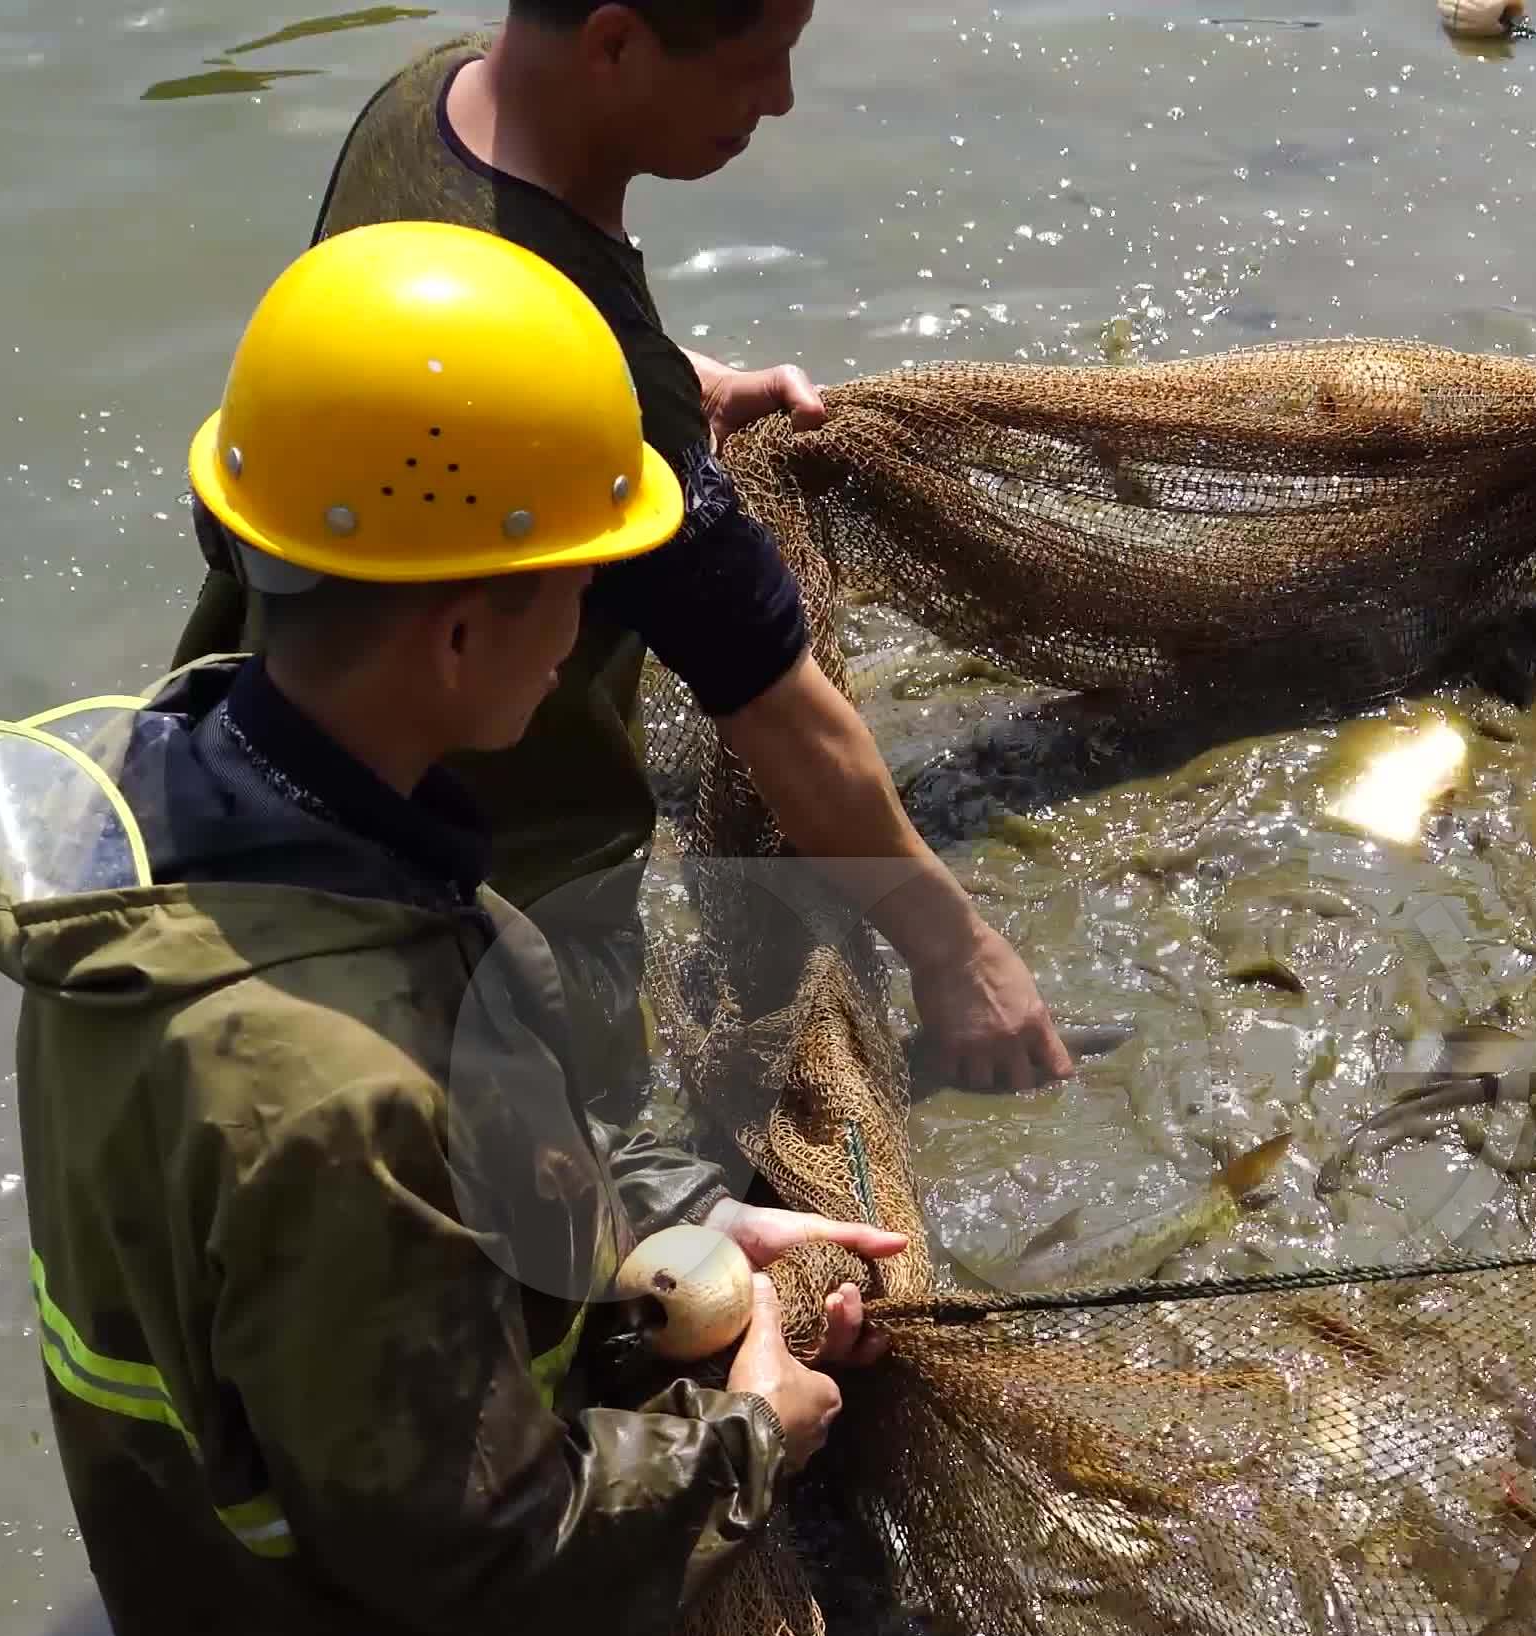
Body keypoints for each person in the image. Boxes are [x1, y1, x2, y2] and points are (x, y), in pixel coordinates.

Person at [0, 223, 907, 1636]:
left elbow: (435, 1172)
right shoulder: (329, 1085)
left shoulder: (201, 818)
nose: (587, 639)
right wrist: (749, 1441)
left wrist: (665, 1213)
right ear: (465, 628)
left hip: (291, 1528)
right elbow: (477, 1548)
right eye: (579, 594)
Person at [169, 0, 1074, 1103]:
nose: (782, 99)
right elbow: (776, 707)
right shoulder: (575, 322)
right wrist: (956, 952)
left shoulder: (426, 103)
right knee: (570, 1187)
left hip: (267, 730)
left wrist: (664, 379)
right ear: (613, 44)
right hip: (492, 888)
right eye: (758, 62)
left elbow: (438, 366)